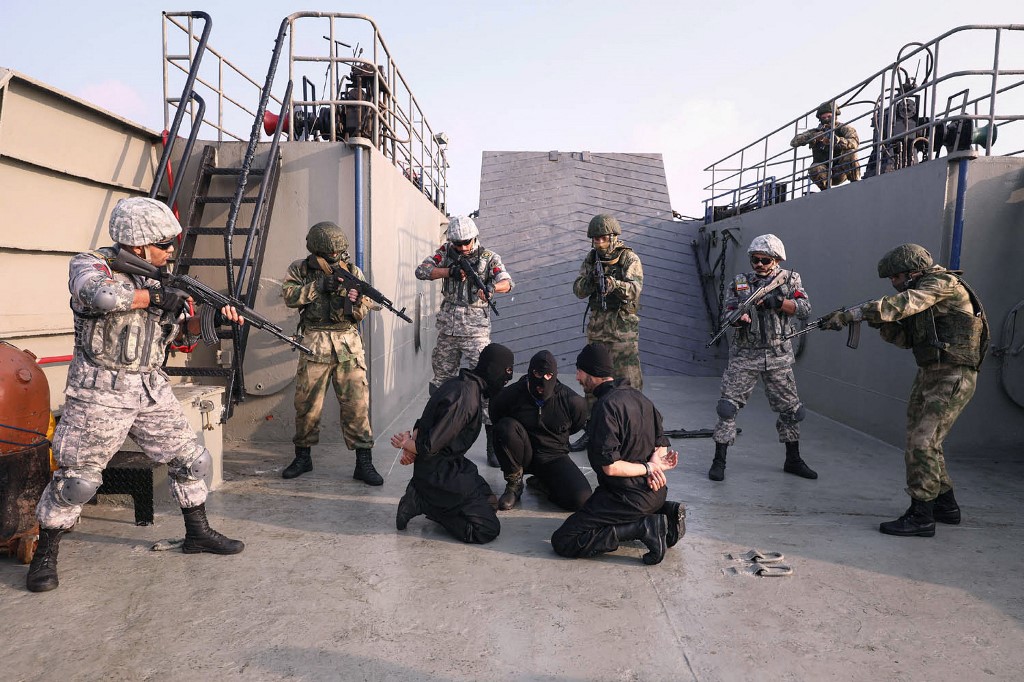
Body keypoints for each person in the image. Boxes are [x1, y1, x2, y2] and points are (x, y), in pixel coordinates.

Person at [27, 197, 246, 593]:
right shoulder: (92, 264)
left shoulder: (161, 277)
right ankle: (45, 554)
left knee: (192, 460)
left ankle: (197, 533)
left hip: (149, 385)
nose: (170, 252)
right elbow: (99, 296)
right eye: (164, 245)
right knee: (78, 481)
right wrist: (157, 297)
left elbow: (183, 334)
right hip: (100, 389)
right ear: (140, 244)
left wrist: (211, 318)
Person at [820, 244, 988, 537]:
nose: (893, 284)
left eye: (895, 278)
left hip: (953, 373)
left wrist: (854, 314)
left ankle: (921, 516)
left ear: (912, 272)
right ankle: (945, 506)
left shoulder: (941, 284)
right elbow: (906, 339)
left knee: (924, 443)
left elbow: (901, 304)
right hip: (931, 373)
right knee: (920, 440)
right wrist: (877, 322)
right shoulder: (926, 294)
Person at [551, 343, 685, 566]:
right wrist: (655, 463)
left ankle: (644, 528)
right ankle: (665, 511)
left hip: (626, 498)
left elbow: (610, 467)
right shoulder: (639, 397)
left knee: (564, 540)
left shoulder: (606, 407)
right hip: (655, 492)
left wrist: (651, 468)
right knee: (588, 514)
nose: (576, 377)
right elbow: (661, 443)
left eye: (580, 371)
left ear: (593, 373)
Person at [279, 221, 382, 486]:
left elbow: (366, 306)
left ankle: (364, 462)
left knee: (356, 405)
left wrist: (357, 300)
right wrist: (319, 286)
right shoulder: (301, 268)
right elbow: (289, 296)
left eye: (337, 252)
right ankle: (303, 457)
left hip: (348, 343)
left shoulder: (352, 270)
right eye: (329, 254)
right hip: (314, 341)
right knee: (307, 405)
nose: (335, 257)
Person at [708, 234, 817, 482]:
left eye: (764, 260)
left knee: (791, 410)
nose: (758, 264)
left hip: (778, 353)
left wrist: (778, 301)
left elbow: (804, 310)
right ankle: (719, 461)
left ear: (776, 260)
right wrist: (738, 318)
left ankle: (793, 459)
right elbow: (727, 313)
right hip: (745, 354)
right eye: (754, 260)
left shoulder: (789, 280)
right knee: (727, 408)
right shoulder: (740, 283)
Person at [390, 343, 515, 544]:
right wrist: (408, 445)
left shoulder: (460, 384)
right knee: (486, 529)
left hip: (449, 463)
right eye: (505, 374)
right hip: (439, 473)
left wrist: (411, 444)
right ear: (492, 370)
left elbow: (423, 424)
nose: (505, 381)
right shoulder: (466, 398)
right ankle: (422, 502)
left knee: (489, 502)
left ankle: (427, 497)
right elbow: (429, 446)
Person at [415, 215, 513, 467]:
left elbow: (507, 282)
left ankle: (492, 443)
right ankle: (436, 437)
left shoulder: (489, 258)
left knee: (488, 387)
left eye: (466, 243)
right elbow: (422, 270)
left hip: (476, 332)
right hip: (448, 329)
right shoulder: (445, 252)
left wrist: (491, 289)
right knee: (440, 383)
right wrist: (449, 270)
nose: (462, 248)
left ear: (475, 238)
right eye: (457, 244)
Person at [569, 214, 644, 452]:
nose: (598, 244)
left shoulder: (628, 258)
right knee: (592, 379)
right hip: (598, 326)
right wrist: (592, 281)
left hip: (622, 329)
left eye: (602, 238)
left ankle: (632, 430)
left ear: (613, 237)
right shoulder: (592, 260)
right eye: (595, 239)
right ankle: (592, 429)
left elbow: (635, 289)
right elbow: (578, 290)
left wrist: (615, 286)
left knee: (627, 380)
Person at [489, 350, 592, 511]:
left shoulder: (573, 401)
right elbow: (496, 418)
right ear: (531, 373)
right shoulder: (510, 396)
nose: (543, 381)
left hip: (554, 457)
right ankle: (514, 484)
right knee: (505, 428)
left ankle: (545, 484)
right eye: (538, 373)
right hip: (522, 453)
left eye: (549, 376)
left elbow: (576, 425)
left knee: (581, 499)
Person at [790, 100, 861, 190]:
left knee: (851, 153)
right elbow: (794, 142)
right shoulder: (815, 132)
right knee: (815, 168)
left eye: (829, 116)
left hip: (841, 170)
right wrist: (813, 137)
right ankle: (826, 191)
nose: (827, 119)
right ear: (820, 118)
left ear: (835, 116)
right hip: (824, 172)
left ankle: (856, 183)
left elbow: (854, 142)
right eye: (824, 117)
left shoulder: (844, 128)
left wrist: (838, 141)